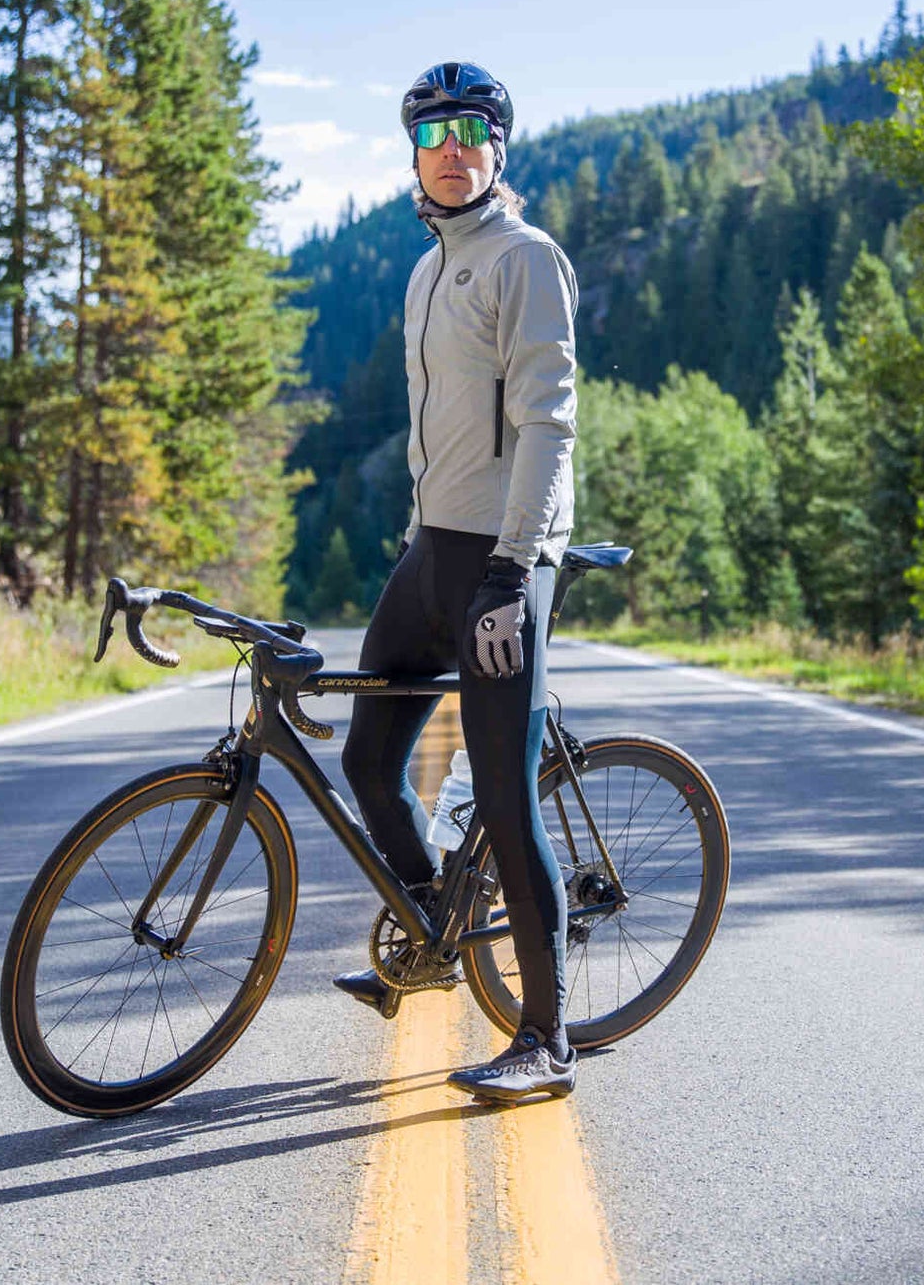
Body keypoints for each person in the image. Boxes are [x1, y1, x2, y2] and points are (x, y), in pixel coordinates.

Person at [332, 61, 581, 1103]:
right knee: (367, 756)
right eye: (433, 133)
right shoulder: (427, 270)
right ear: (414, 155)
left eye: (472, 128)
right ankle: (437, 926)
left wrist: (512, 566)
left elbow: (546, 421)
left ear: (499, 146)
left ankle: (545, 1037)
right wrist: (412, 543)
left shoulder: (525, 258)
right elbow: (436, 430)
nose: (452, 146)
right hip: (430, 547)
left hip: (500, 559)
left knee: (507, 795)